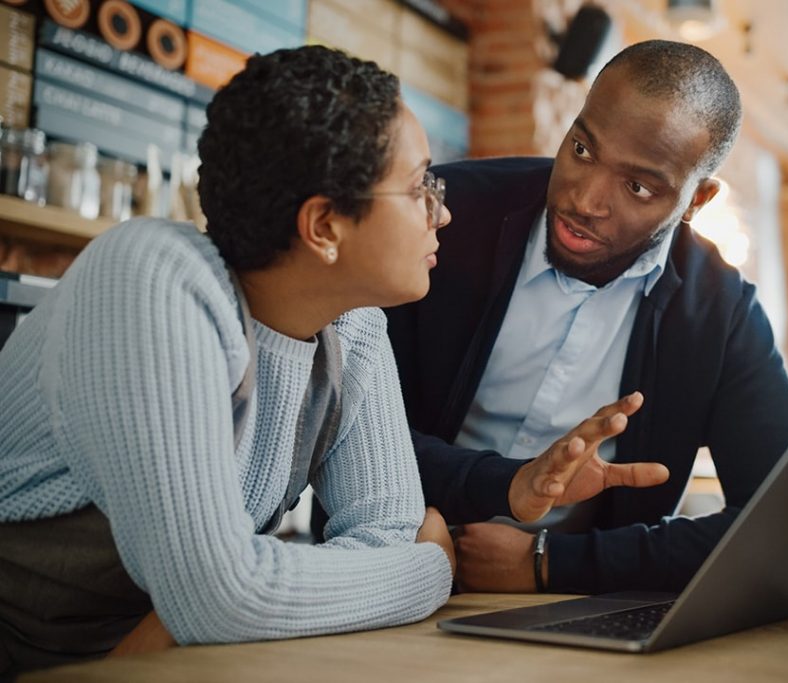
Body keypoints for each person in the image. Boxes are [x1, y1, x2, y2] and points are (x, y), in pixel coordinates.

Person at [0, 46, 648, 676]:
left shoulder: (353, 323)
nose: (442, 211)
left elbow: (354, 543)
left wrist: (212, 604)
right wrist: (431, 565)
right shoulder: (152, 283)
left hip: (187, 656)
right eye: (419, 185)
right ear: (324, 227)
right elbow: (221, 594)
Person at [385, 40, 788, 594]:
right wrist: (506, 485)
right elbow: (349, 429)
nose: (585, 200)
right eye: (583, 149)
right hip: (389, 576)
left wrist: (549, 562)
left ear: (695, 201)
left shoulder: (720, 311)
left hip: (577, 610)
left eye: (637, 186)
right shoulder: (446, 217)